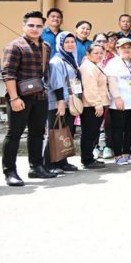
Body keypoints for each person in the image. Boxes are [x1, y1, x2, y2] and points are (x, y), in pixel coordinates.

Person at [1, 11, 56, 186]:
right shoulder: (14, 46)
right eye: (31, 25)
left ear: (43, 27)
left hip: (40, 97)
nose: (34, 29)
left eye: (39, 25)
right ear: (23, 26)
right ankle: (10, 172)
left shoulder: (46, 46)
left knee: (37, 134)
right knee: (14, 135)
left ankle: (36, 167)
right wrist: (14, 98)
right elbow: (8, 74)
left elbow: (45, 72)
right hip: (21, 98)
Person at [44, 31, 81, 174]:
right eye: (67, 42)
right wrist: (60, 102)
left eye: (72, 42)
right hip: (58, 102)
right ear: (60, 44)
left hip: (69, 101)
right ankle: (49, 163)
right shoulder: (57, 61)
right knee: (55, 132)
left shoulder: (71, 59)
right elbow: (56, 83)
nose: (70, 44)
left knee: (66, 132)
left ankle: (62, 161)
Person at [104, 38, 131, 165]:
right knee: (118, 128)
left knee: (130, 128)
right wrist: (117, 98)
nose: (126, 50)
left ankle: (127, 153)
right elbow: (111, 81)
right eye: (123, 47)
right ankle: (118, 155)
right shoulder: (113, 63)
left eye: (128, 47)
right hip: (119, 102)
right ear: (118, 49)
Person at [79, 44, 110, 169]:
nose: (99, 55)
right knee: (89, 133)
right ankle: (87, 159)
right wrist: (97, 104)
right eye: (95, 53)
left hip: (96, 104)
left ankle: (89, 157)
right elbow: (90, 88)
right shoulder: (87, 67)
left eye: (101, 53)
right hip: (91, 106)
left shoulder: (95, 65)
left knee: (92, 133)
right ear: (88, 54)